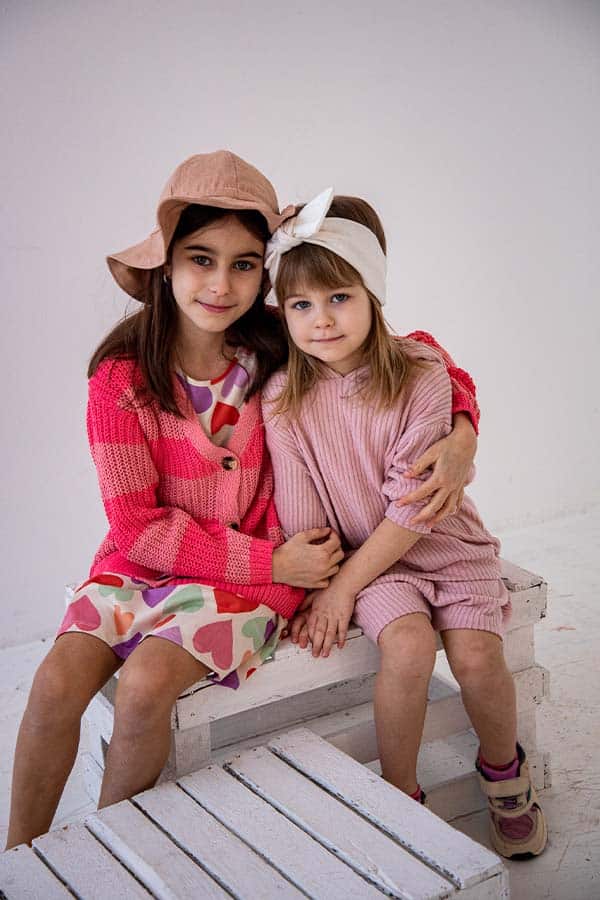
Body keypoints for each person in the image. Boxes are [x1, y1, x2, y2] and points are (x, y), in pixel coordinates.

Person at [6, 153, 479, 850]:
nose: (221, 284)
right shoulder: (120, 380)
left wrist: (463, 429)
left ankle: (108, 856)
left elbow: (415, 353)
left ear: (265, 273)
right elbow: (136, 526)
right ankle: (20, 859)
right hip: (156, 564)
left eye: (244, 264)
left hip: (250, 587)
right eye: (201, 259)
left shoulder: (278, 340)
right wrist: (271, 561)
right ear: (166, 265)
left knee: (145, 687)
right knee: (52, 684)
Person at [261, 188, 547, 859]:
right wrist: (328, 580)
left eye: (339, 297)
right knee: (409, 647)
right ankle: (400, 797)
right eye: (301, 304)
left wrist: (339, 590)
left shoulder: (422, 373)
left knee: (476, 655)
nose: (321, 320)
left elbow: (418, 507)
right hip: (374, 564)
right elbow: (306, 520)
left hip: (445, 546)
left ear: (372, 294)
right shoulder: (284, 399)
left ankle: (506, 776)